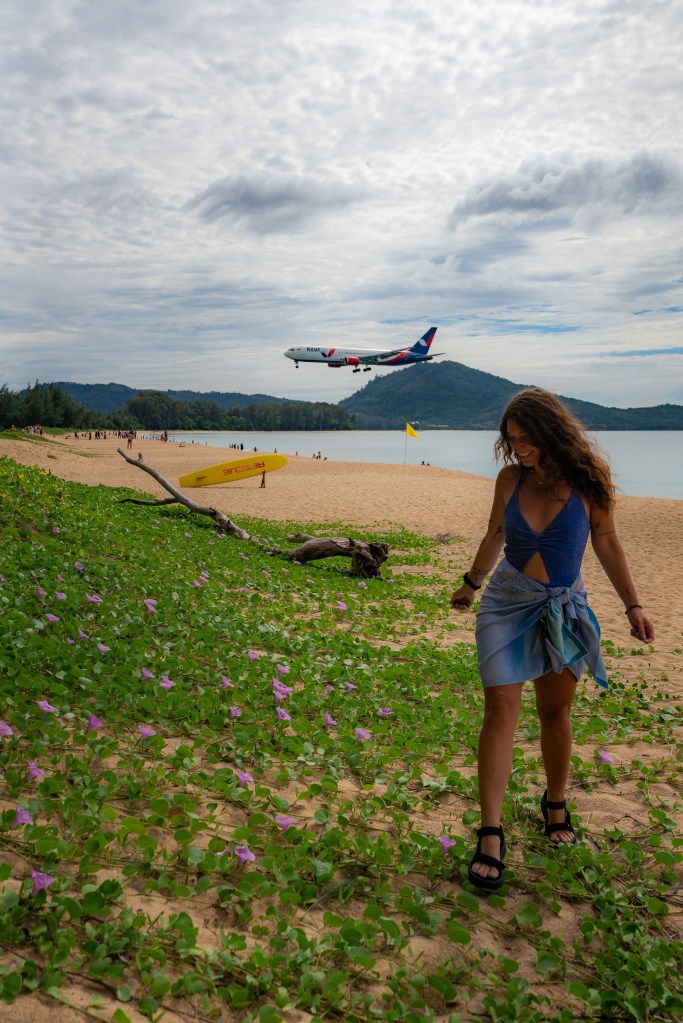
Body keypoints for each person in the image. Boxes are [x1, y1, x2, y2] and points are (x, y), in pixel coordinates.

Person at [450, 388, 654, 891]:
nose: (517, 447)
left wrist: (633, 605)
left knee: (555, 713)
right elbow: (497, 533)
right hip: (506, 603)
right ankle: (491, 831)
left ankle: (555, 800)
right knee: (500, 708)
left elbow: (607, 541)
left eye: (525, 438)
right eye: (511, 439)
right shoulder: (509, 479)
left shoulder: (589, 486)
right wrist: (472, 583)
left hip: (563, 606)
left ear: (551, 432)